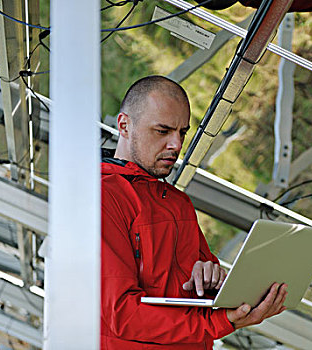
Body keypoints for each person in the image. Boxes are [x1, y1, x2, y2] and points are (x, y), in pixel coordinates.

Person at [100, 75, 288, 349]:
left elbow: (202, 289)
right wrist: (220, 323)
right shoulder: (103, 197)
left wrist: (213, 281)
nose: (176, 145)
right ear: (124, 125)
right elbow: (123, 314)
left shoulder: (178, 203)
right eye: (162, 131)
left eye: (182, 132)